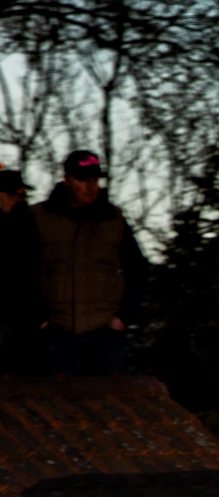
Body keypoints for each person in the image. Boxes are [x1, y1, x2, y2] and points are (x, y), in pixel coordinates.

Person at [34, 150, 148, 377]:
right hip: (55, 333)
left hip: (104, 334)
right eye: (83, 180)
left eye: (95, 180)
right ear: (67, 180)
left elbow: (139, 268)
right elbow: (17, 271)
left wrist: (124, 317)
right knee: (56, 397)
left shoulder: (113, 218)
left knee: (106, 397)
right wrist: (36, 318)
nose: (90, 187)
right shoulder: (39, 217)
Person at [0, 166, 47, 375]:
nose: (20, 200)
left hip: (23, 322)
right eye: (15, 195)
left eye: (23, 195)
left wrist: (39, 315)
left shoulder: (27, 225)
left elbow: (30, 273)